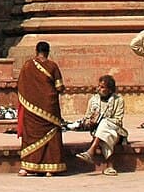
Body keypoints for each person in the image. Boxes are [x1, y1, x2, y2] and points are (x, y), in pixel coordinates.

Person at [16, 41, 65, 175]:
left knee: (31, 136)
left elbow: (20, 86)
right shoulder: (52, 66)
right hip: (49, 108)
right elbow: (59, 87)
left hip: (31, 109)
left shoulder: (27, 66)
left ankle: (26, 168)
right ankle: (51, 168)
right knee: (51, 135)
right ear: (48, 52)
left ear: (36, 51)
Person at [71, 75, 128, 175]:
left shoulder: (118, 100)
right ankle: (110, 167)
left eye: (102, 87)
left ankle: (91, 151)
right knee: (104, 134)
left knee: (104, 125)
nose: (98, 89)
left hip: (115, 131)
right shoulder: (93, 100)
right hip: (99, 131)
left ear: (110, 90)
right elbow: (87, 117)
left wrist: (103, 121)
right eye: (98, 86)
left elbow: (118, 120)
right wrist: (91, 122)